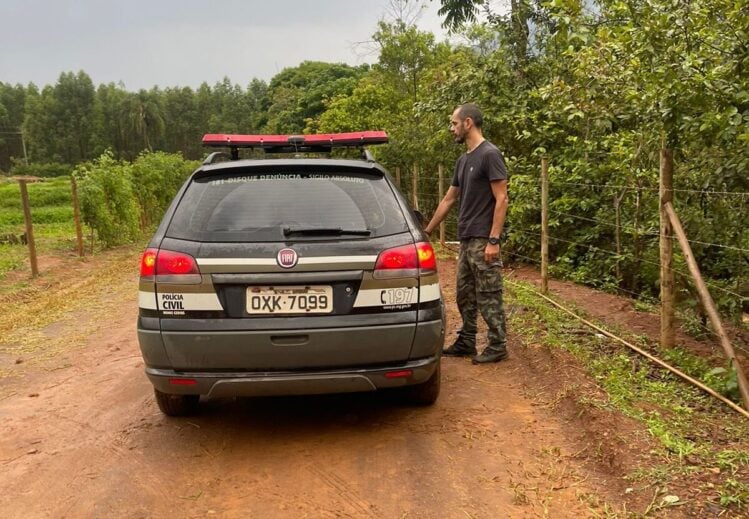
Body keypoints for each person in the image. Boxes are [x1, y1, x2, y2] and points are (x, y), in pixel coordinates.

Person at [424, 103, 509, 364]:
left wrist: (493, 240)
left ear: (468, 123)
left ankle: (497, 344)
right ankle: (467, 341)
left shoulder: (490, 154)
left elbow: (502, 198)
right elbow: (449, 199)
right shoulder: (464, 160)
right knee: (464, 293)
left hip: (484, 238)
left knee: (488, 293)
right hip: (467, 238)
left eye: (454, 123)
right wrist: (426, 231)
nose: (452, 128)